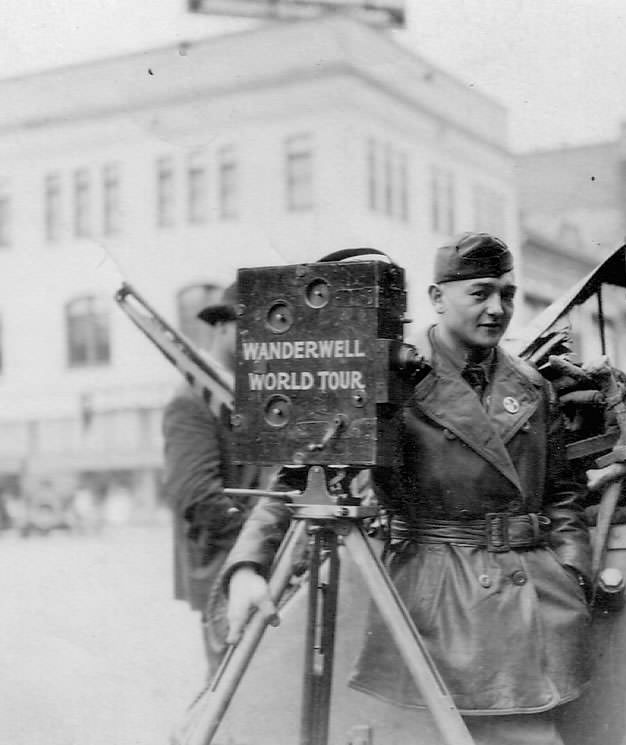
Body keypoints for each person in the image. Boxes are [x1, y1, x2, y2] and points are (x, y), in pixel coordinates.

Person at [221, 234, 593, 745]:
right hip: (435, 595)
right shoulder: (389, 374)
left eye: (507, 294)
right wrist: (247, 567)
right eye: (480, 293)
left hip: (531, 594)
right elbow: (298, 476)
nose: (497, 308)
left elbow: (565, 492)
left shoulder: (531, 384)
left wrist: (572, 570)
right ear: (438, 299)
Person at [162, 283, 265, 677]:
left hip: (255, 564)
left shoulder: (250, 392)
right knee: (231, 690)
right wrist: (259, 542)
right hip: (225, 570)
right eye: (247, 327)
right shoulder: (191, 398)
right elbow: (197, 497)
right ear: (221, 327)